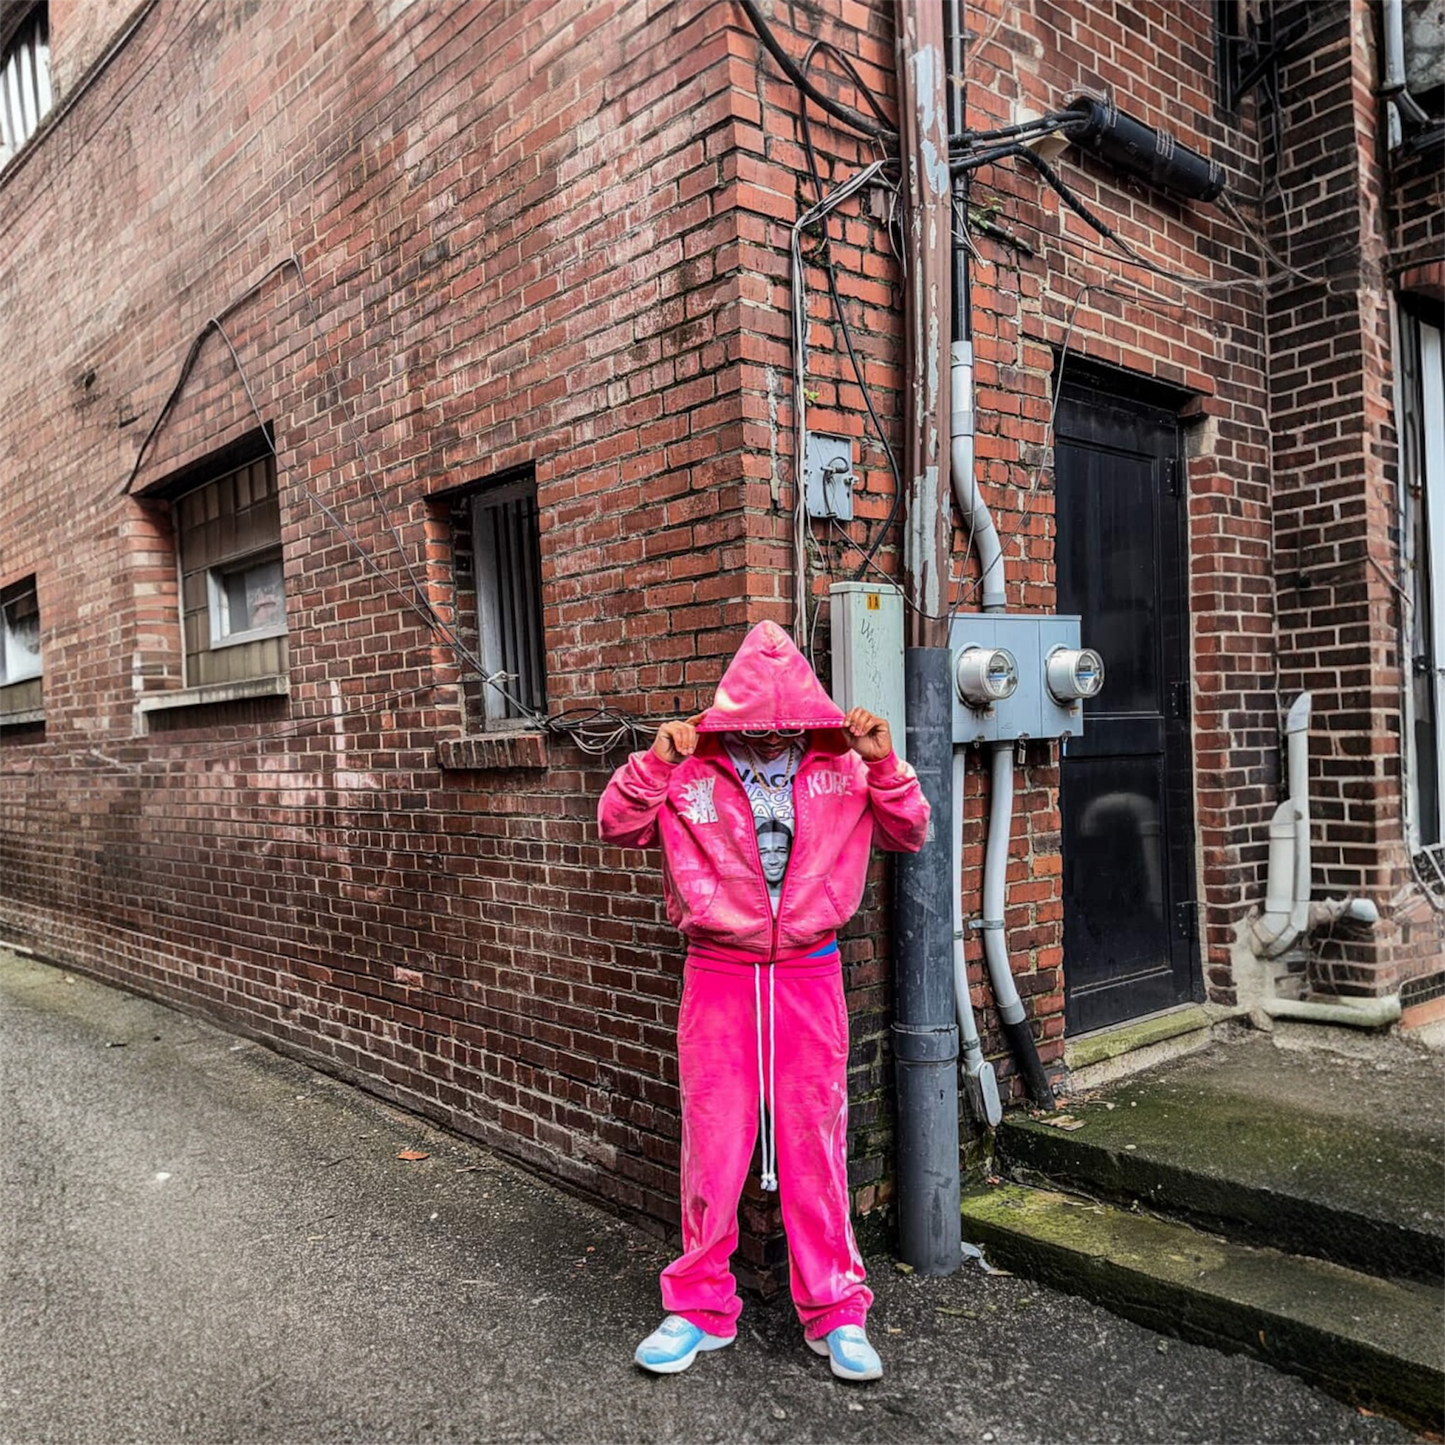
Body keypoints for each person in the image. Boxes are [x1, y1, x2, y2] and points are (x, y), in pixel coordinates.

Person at [597, 620, 929, 1382]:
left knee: (815, 1143)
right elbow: (616, 824)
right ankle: (696, 1310)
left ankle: (837, 1311)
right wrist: (653, 761)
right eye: (761, 724)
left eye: (788, 724)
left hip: (809, 974)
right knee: (712, 1147)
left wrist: (885, 766)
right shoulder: (688, 768)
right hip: (717, 974)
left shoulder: (844, 764)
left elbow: (909, 832)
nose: (774, 737)